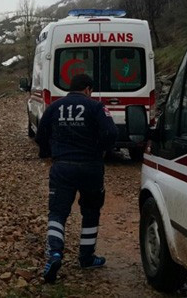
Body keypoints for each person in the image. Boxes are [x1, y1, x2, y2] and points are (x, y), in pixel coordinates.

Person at [35, 73, 118, 283]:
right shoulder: (96, 107)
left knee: (58, 212)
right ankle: (86, 257)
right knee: (91, 212)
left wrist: (48, 152)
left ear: (70, 88)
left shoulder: (54, 107)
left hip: (62, 167)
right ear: (88, 89)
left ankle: (54, 254)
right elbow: (111, 133)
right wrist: (100, 150)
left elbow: (40, 134)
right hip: (91, 168)